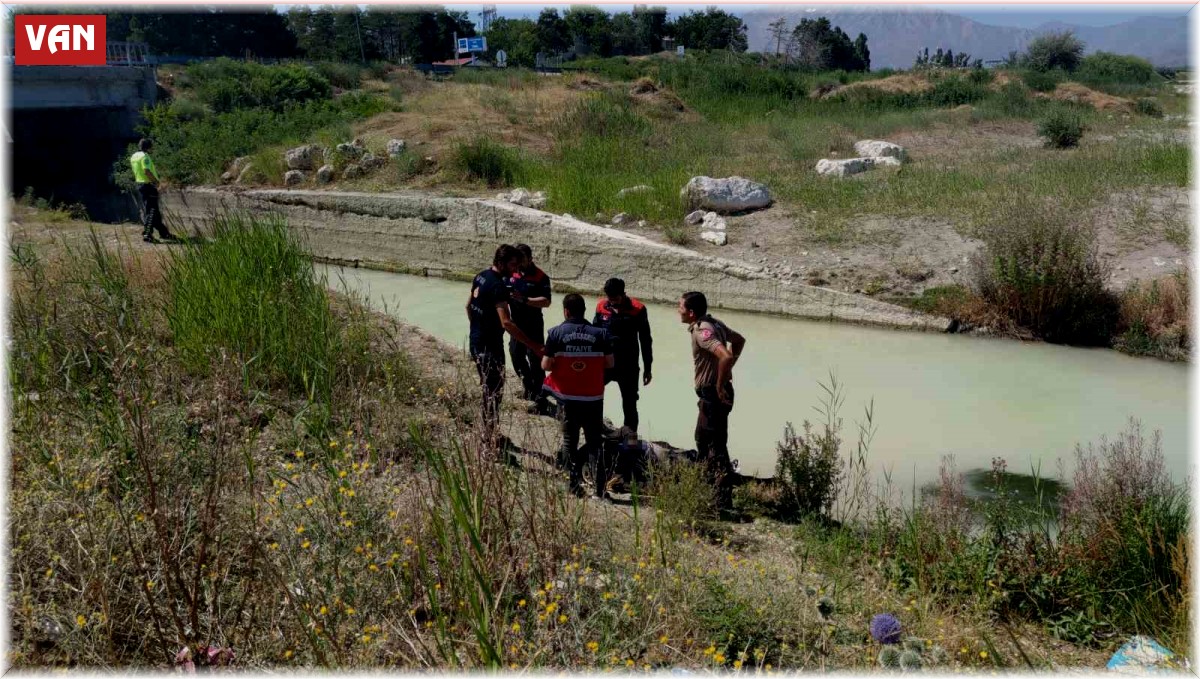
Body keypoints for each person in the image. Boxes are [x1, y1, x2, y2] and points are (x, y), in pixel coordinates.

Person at [467, 245, 545, 454]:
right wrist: (534, 345)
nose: (515, 268)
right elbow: (507, 323)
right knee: (494, 393)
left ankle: (489, 432)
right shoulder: (498, 287)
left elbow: (468, 306)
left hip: (476, 342)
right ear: (501, 263)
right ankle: (488, 440)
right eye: (512, 264)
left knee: (488, 390)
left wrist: (478, 328)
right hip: (490, 347)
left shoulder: (481, 276)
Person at [678, 291, 746, 509]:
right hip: (711, 396)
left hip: (713, 394)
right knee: (702, 439)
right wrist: (725, 372)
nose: (677, 310)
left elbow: (725, 355)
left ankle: (722, 500)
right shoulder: (714, 323)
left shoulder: (702, 331)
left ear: (691, 312)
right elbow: (739, 340)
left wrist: (720, 381)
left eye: (680, 307)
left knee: (714, 446)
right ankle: (708, 486)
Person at [542, 293, 614, 498]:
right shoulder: (601, 334)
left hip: (567, 399)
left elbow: (546, 365)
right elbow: (610, 364)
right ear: (584, 310)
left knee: (569, 442)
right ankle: (600, 492)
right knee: (594, 443)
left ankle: (573, 486)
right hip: (593, 398)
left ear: (566, 311)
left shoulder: (555, 333)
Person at [593, 278, 653, 433]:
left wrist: (648, 367)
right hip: (604, 363)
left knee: (630, 403)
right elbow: (594, 334)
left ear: (624, 294)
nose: (613, 303)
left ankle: (630, 441)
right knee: (593, 395)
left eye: (616, 299)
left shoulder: (638, 309)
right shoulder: (601, 306)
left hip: (628, 366)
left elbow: (645, 340)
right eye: (610, 299)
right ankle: (595, 429)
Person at [506, 244, 553, 415]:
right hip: (515, 324)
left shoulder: (541, 277)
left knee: (536, 360)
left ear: (530, 258)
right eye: (517, 259)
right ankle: (529, 387)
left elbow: (546, 302)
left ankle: (540, 398)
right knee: (516, 356)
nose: (519, 262)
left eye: (522, 259)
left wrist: (525, 300)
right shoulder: (512, 272)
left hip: (533, 323)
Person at [129, 138, 176, 244]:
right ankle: (147, 234)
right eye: (152, 147)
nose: (152, 149)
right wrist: (156, 183)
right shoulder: (145, 157)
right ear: (149, 147)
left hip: (140, 185)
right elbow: (147, 171)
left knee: (154, 210)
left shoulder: (134, 156)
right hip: (148, 185)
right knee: (151, 210)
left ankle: (164, 233)